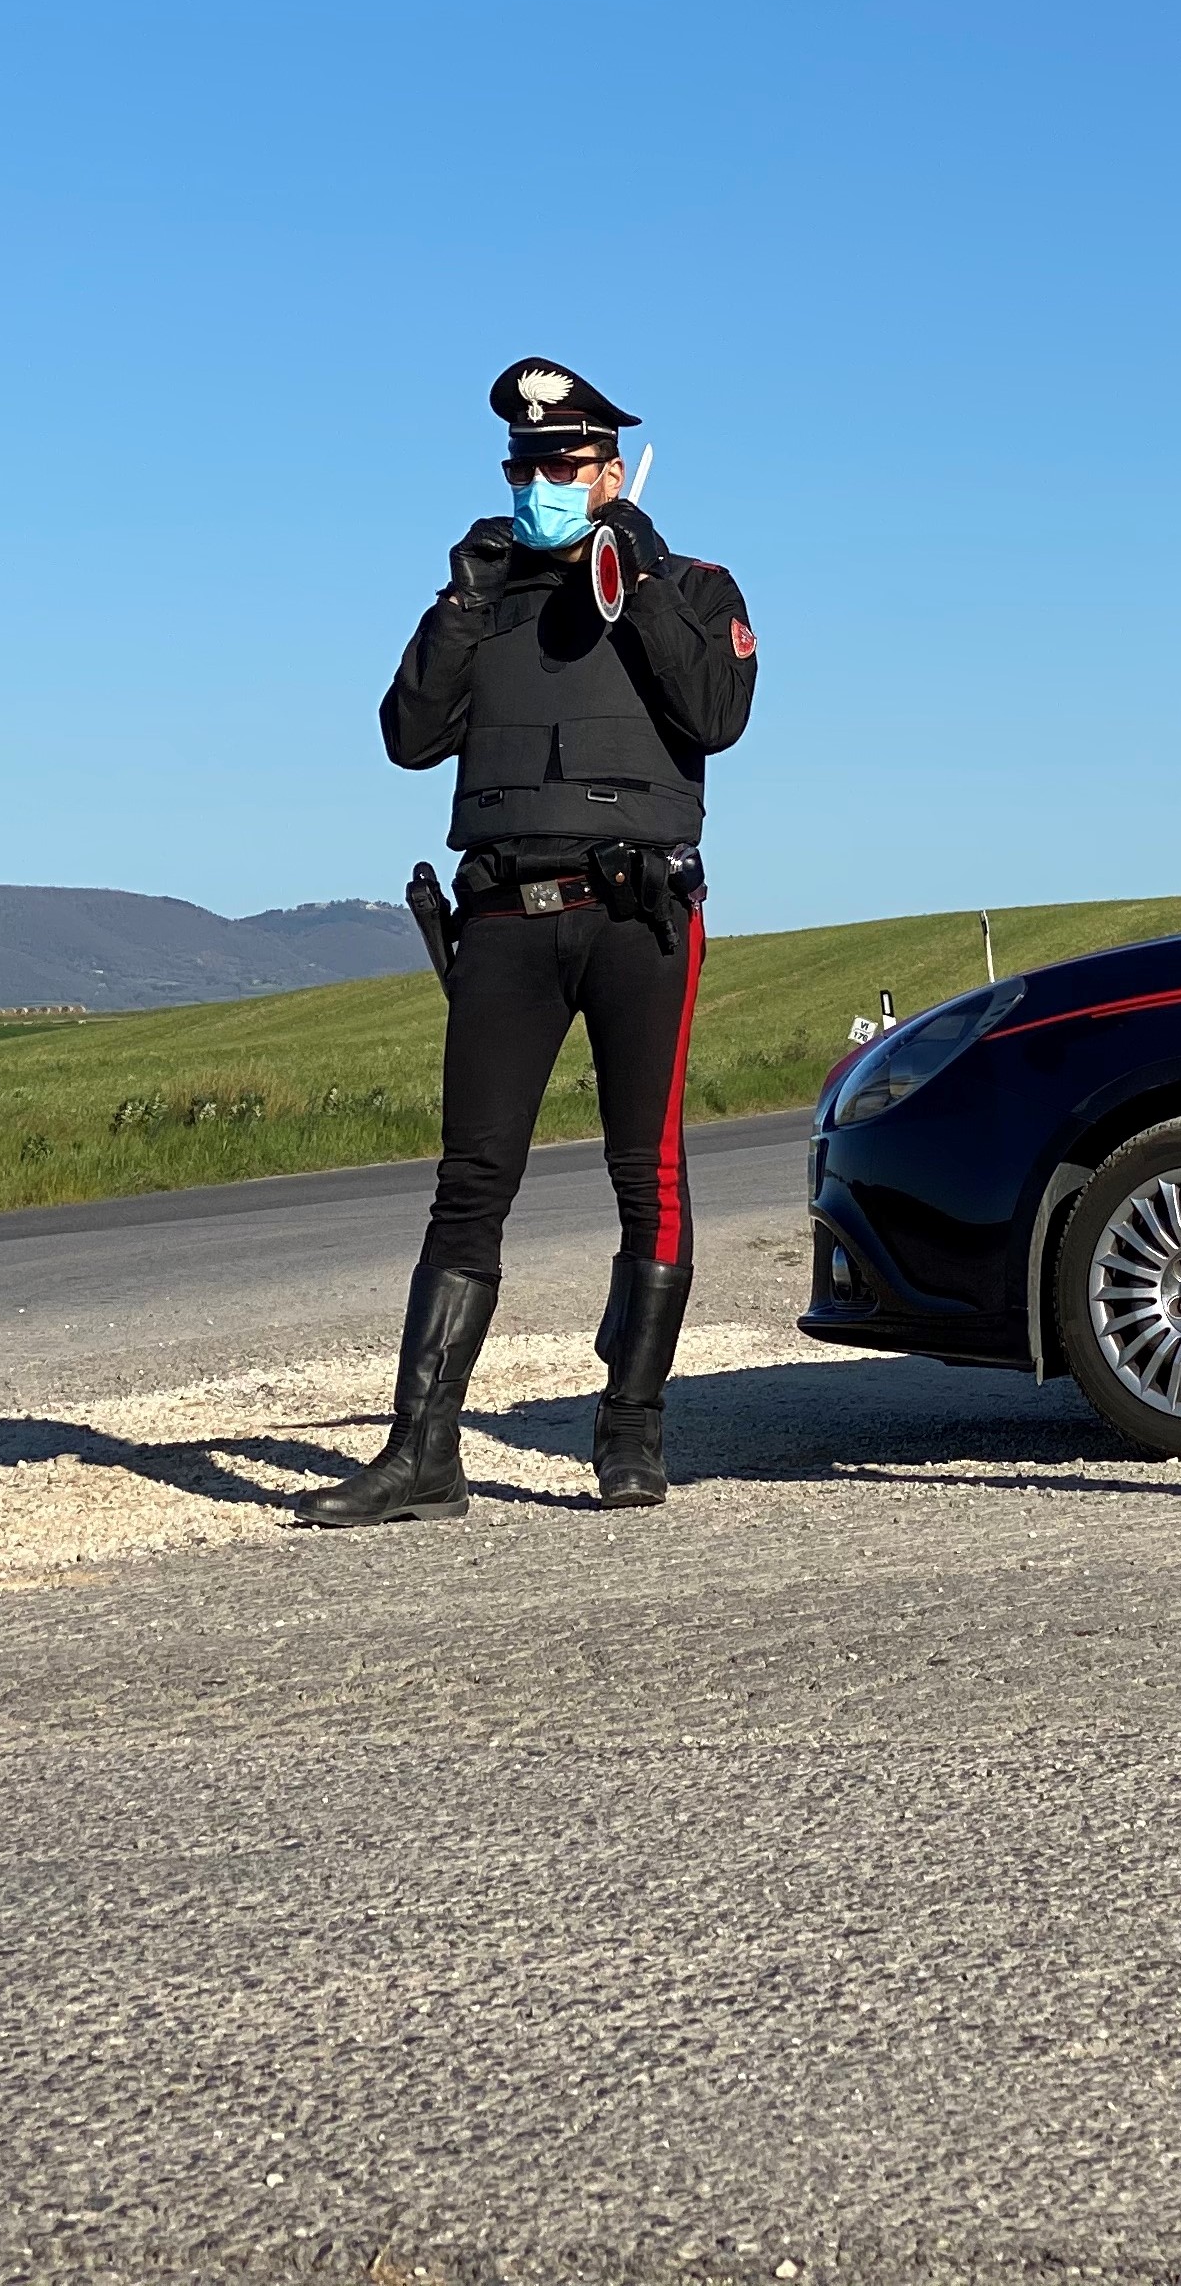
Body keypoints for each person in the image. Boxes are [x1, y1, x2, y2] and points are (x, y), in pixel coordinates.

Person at [296, 358, 759, 1527]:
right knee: (469, 1184)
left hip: (635, 914)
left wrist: (636, 574)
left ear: (610, 470)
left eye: (564, 463)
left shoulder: (694, 584)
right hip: (503, 912)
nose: (541, 481)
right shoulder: (484, 598)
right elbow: (407, 736)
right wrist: (459, 603)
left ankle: (632, 1434)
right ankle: (424, 1453)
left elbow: (718, 716)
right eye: (525, 465)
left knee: (645, 1175)